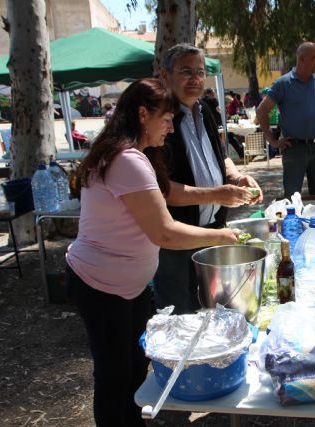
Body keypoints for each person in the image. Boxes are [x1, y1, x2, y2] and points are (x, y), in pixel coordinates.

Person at [65, 78, 239, 427]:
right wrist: (223, 235)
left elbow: (165, 192)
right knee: (115, 377)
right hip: (100, 285)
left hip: (126, 288)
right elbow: (164, 233)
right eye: (166, 119)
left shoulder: (134, 154)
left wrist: (217, 194)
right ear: (143, 114)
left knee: (133, 370)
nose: (171, 127)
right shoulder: (127, 159)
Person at [150, 43, 263, 314]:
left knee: (212, 311)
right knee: (179, 315)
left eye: (200, 72)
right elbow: (159, 189)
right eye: (186, 72)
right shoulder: (159, 119)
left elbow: (220, 155)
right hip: (177, 239)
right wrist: (216, 194)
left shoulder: (204, 111)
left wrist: (237, 178)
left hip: (213, 230)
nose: (195, 79)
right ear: (165, 76)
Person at [257, 42, 315, 198]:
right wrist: (273, 141)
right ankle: (293, 223)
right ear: (302, 59)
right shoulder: (283, 84)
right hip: (294, 149)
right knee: (292, 197)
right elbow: (261, 111)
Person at [202, 87, 244, 158]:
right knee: (230, 136)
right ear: (210, 93)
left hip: (207, 124)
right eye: (213, 93)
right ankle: (240, 153)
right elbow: (218, 110)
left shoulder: (201, 100)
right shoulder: (213, 100)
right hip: (217, 123)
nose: (214, 94)